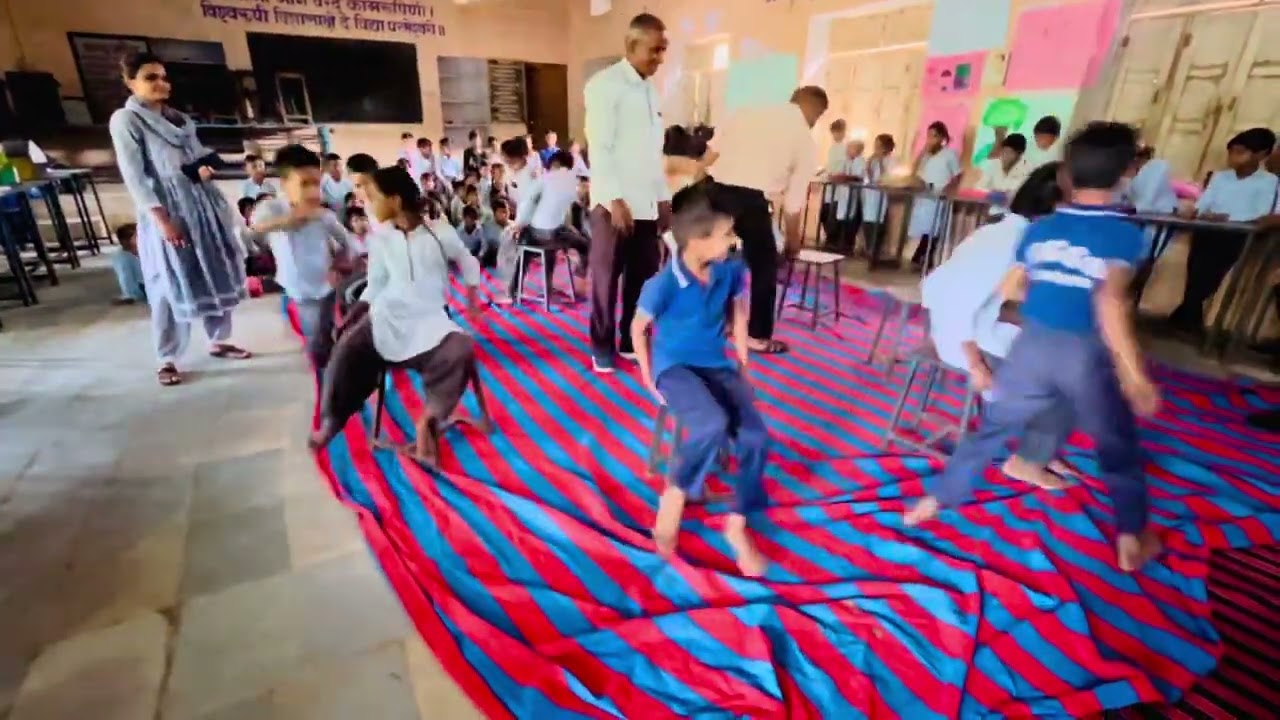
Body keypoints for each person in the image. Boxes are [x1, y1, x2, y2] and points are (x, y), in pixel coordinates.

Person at [905, 122, 1163, 574]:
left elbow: (1014, 288)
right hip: (1080, 352)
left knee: (988, 431)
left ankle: (935, 499)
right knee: (1118, 444)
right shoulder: (1124, 235)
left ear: (1067, 176)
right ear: (1126, 174)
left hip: (1031, 347)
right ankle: (1130, 536)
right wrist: (1133, 373)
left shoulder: (1039, 230)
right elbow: (1110, 303)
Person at [633, 185, 770, 577]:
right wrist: (648, 377)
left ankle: (737, 525)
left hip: (716, 365)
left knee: (757, 438)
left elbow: (740, 312)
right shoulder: (663, 283)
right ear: (697, 241)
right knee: (712, 423)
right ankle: (675, 494)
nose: (734, 240)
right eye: (726, 234)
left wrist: (743, 363)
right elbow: (638, 327)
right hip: (674, 367)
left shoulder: (731, 269)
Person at [311, 166, 484, 464]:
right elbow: (376, 283)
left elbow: (468, 262)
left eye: (374, 196)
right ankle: (331, 423)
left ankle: (429, 421)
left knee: (460, 349)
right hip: (386, 316)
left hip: (430, 320)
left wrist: (472, 300)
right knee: (346, 351)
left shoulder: (439, 233)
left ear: (395, 200)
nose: (367, 201)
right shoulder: (381, 239)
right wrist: (354, 315)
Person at [922, 161, 1075, 487]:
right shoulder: (1007, 242)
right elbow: (953, 300)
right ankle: (1028, 461)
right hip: (965, 340)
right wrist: (976, 364)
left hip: (978, 330)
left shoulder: (1011, 231)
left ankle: (1039, 448)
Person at [109, 51, 250, 387]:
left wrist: (208, 166)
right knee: (169, 282)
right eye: (150, 77)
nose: (161, 83)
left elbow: (195, 156)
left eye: (163, 76)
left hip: (200, 205)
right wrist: (162, 220)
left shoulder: (179, 121)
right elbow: (135, 176)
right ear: (130, 83)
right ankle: (167, 357)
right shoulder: (127, 120)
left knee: (216, 268)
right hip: (167, 210)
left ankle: (219, 339)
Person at [704, 85, 828, 355]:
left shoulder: (748, 111)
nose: (814, 122)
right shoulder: (804, 140)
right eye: (817, 117)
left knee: (714, 260)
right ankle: (757, 336)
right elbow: (795, 201)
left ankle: (715, 322)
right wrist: (794, 238)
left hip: (714, 191)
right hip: (750, 200)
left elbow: (710, 155)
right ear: (814, 109)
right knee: (764, 267)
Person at [583, 12, 671, 373]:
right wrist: (613, 198)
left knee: (643, 276)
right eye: (654, 50)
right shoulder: (604, 85)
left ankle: (627, 338)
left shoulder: (652, 91)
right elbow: (599, 147)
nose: (660, 58)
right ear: (631, 45)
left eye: (663, 51)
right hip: (613, 205)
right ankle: (601, 345)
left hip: (647, 203)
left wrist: (663, 197)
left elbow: (654, 154)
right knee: (606, 280)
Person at [245, 144, 351, 372]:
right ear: (284, 184)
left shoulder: (323, 215)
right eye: (304, 184)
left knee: (327, 325)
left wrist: (339, 264)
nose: (313, 192)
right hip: (300, 288)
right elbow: (252, 229)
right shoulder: (272, 208)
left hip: (327, 283)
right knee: (314, 338)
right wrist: (287, 222)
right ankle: (326, 374)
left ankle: (331, 362)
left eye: (316, 183)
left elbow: (347, 242)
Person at [1168, 127, 1278, 334]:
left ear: (1261, 155)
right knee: (1195, 272)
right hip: (1207, 230)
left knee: (1211, 277)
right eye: (1232, 152)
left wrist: (1228, 217)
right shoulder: (1221, 177)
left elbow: (1262, 212)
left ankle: (1186, 316)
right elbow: (1204, 203)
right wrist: (1198, 212)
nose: (1234, 158)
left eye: (1241, 152)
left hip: (1237, 235)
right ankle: (1187, 318)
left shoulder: (1269, 182)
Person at [500, 149, 591, 301]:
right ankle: (578, 281)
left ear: (554, 163)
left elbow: (527, 204)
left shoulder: (543, 178)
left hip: (536, 233)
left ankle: (514, 289)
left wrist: (518, 224)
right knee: (585, 245)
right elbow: (580, 203)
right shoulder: (572, 181)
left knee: (527, 245)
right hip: (556, 235)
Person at [908, 121, 963, 271]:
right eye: (929, 136)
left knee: (936, 229)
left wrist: (949, 190)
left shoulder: (950, 154)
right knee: (925, 228)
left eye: (934, 136)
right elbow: (915, 171)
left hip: (940, 196)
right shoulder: (926, 155)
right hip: (925, 195)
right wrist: (922, 152)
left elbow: (957, 175)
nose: (931, 139)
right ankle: (920, 257)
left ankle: (925, 258)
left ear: (942, 137)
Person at [826, 139, 866, 253]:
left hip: (852, 197)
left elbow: (857, 177)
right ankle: (834, 244)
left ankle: (846, 247)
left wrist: (844, 177)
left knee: (849, 223)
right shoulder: (846, 161)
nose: (847, 150)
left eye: (850, 148)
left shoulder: (860, 161)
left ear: (857, 150)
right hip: (841, 195)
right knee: (836, 220)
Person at [861, 133, 897, 261]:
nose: (876, 149)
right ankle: (868, 248)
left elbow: (885, 178)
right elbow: (869, 177)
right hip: (870, 195)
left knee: (878, 222)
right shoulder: (873, 159)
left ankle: (875, 251)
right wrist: (870, 163)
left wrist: (881, 161)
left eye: (879, 146)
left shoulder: (892, 160)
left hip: (882, 196)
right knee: (867, 222)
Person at [976, 133, 1030, 215]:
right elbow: (980, 187)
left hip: (1013, 214)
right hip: (990, 210)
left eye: (1010, 152)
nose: (1005, 156)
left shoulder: (1027, 169)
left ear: (1019, 154)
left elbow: (1015, 195)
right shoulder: (994, 164)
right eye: (1004, 151)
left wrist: (998, 193)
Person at [820, 119, 848, 247]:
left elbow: (843, 166)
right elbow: (830, 165)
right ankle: (829, 238)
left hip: (839, 188)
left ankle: (833, 241)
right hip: (830, 185)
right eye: (834, 133)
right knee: (825, 214)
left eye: (838, 132)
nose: (836, 135)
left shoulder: (846, 148)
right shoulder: (832, 148)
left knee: (834, 215)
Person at [111, 223, 147, 304]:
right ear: (124, 241)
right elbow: (125, 278)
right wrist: (131, 294)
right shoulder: (122, 257)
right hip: (141, 286)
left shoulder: (141, 251)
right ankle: (130, 296)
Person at [321, 153, 354, 217]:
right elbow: (321, 206)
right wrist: (342, 206)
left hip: (346, 223)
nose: (339, 169)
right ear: (326, 168)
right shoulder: (322, 183)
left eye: (340, 165)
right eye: (335, 166)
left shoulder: (348, 184)